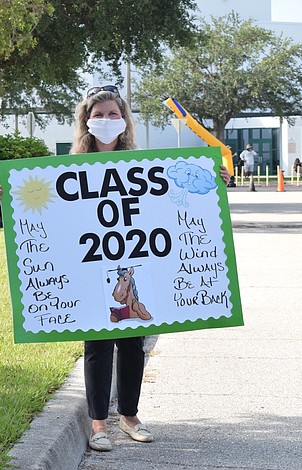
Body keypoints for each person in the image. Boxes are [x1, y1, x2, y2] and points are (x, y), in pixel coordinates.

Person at [72, 85, 231, 452]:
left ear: (124, 120)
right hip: (91, 266)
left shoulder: (141, 164)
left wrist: (213, 181)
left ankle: (129, 416)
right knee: (97, 343)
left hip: (132, 264)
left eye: (113, 114)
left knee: (133, 341)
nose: (107, 120)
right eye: (99, 115)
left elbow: (171, 201)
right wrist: (10, 196)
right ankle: (98, 424)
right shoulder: (69, 167)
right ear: (86, 121)